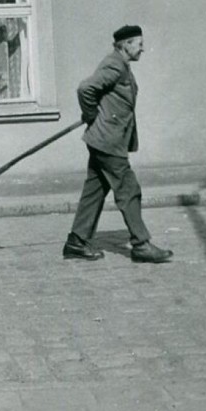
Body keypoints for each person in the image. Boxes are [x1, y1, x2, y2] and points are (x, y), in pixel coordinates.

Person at [63, 24, 173, 264]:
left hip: (103, 139)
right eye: (139, 44)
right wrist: (91, 114)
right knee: (129, 189)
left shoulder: (121, 65)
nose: (143, 49)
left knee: (95, 190)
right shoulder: (114, 64)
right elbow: (86, 88)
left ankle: (76, 241)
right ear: (126, 45)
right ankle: (141, 244)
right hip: (107, 140)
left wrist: (96, 116)